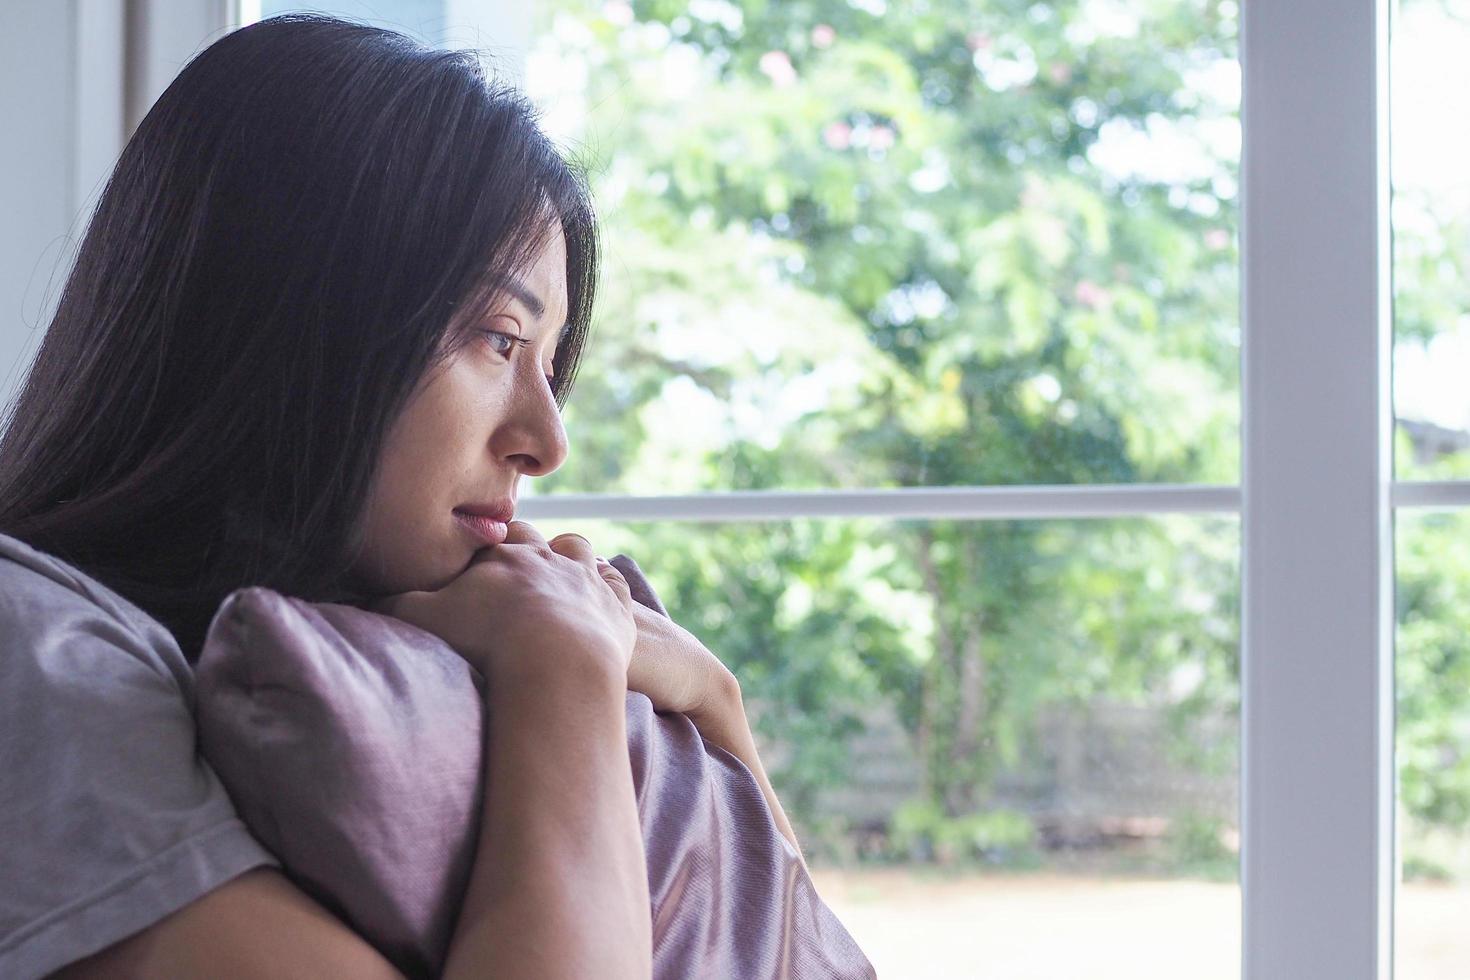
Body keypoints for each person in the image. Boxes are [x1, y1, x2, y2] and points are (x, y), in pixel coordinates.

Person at [0, 14, 798, 978]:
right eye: (501, 341)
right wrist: (568, 673)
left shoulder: (378, 659)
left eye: (552, 369)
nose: (547, 443)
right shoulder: (32, 655)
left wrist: (716, 702)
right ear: (289, 321)